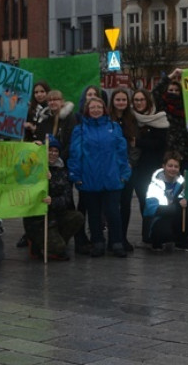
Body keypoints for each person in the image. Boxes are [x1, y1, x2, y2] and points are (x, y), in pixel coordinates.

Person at [68, 95, 131, 258]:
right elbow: (75, 153)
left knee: (113, 212)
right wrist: (76, 175)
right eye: (92, 107)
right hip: (90, 177)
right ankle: (98, 242)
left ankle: (116, 242)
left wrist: (124, 173)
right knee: (94, 213)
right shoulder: (80, 129)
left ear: (104, 109)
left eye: (99, 107)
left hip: (112, 177)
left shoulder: (113, 126)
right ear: (87, 110)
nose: (96, 110)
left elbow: (121, 152)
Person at [23, 138, 83, 260]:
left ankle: (55, 243)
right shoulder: (34, 168)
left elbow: (67, 198)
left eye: (56, 151)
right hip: (39, 220)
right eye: (49, 150)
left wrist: (53, 201)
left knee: (77, 217)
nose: (53, 154)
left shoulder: (62, 171)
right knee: (58, 247)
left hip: (55, 215)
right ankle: (37, 242)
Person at [129, 87, 168, 244]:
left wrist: (138, 142)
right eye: (136, 100)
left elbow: (160, 143)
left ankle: (154, 233)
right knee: (142, 200)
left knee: (152, 201)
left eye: (142, 99)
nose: (139, 103)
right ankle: (147, 233)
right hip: (135, 166)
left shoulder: (157, 118)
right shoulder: (130, 118)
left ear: (148, 101)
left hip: (152, 166)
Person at [108, 88, 139, 250]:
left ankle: (123, 237)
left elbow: (135, 145)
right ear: (112, 101)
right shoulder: (107, 119)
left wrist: (131, 163)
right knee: (112, 204)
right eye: (118, 99)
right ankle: (113, 238)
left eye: (123, 100)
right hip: (111, 168)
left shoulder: (132, 120)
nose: (121, 102)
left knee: (125, 204)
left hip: (127, 167)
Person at [154, 69, 188, 170]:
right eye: (170, 90)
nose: (174, 92)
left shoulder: (187, 106)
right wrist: (172, 75)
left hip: (186, 152)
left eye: (176, 90)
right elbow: (156, 91)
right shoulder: (163, 106)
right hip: (169, 153)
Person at [143, 151, 187, 252]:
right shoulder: (154, 185)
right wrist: (177, 207)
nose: (173, 169)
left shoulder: (182, 183)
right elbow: (152, 210)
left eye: (176, 166)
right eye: (170, 166)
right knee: (164, 232)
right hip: (156, 218)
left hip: (171, 215)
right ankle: (157, 239)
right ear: (164, 166)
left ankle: (181, 239)